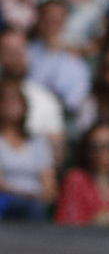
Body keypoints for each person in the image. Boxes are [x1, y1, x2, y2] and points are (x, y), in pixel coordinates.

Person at [0, 27, 66, 164]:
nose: (16, 57)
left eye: (20, 50)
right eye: (9, 51)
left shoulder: (46, 99)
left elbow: (57, 155)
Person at [54, 121, 109, 226]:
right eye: (96, 147)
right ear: (87, 151)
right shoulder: (75, 180)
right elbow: (66, 221)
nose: (104, 153)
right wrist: (94, 221)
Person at [0, 77, 56, 220]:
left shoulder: (37, 143)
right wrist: (27, 195)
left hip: (35, 202)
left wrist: (40, 196)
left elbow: (48, 182)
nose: (10, 104)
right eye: (5, 99)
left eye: (15, 99)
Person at [26, 0, 92, 118]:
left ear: (64, 22)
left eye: (56, 20)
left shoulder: (76, 60)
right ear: (39, 20)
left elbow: (77, 97)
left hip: (62, 115)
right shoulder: (25, 52)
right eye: (47, 19)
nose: (51, 24)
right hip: (29, 112)